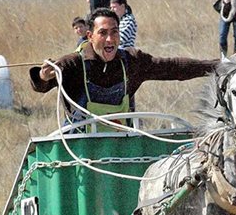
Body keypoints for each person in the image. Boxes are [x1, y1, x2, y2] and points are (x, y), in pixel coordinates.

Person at [30, 8, 219, 132]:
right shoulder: (72, 64)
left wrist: (218, 66)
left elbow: (173, 67)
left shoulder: (132, 61)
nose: (110, 39)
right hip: (78, 149)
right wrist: (43, 75)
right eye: (103, 33)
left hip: (121, 146)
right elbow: (41, 85)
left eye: (114, 32)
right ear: (90, 36)